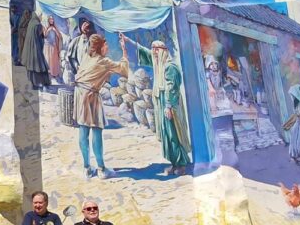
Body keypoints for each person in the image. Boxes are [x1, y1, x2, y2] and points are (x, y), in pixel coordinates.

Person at [122, 35, 192, 175]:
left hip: (169, 104)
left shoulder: (170, 67)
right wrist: (127, 41)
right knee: (166, 134)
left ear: (163, 51)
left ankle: (181, 163)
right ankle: (174, 163)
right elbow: (144, 52)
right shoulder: (159, 65)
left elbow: (172, 88)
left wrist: (168, 106)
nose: (153, 52)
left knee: (173, 133)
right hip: (161, 103)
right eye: (152, 49)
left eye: (156, 49)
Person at [74, 34, 129, 179]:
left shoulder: (87, 57)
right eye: (106, 46)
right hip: (91, 95)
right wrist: (124, 50)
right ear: (100, 47)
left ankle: (86, 168)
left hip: (80, 93)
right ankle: (101, 169)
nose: (108, 48)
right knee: (96, 130)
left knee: (83, 130)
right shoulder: (104, 61)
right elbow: (123, 69)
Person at [21, 12, 50, 90]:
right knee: (39, 65)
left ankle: (33, 84)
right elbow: (40, 37)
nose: (41, 18)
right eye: (40, 16)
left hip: (29, 49)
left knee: (31, 65)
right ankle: (41, 84)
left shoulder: (31, 23)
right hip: (36, 48)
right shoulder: (38, 25)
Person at [43, 16, 63, 84]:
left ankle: (54, 75)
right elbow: (45, 36)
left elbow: (59, 36)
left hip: (53, 47)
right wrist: (48, 30)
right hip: (47, 47)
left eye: (52, 19)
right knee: (48, 60)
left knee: (53, 61)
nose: (51, 20)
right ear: (48, 20)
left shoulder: (55, 28)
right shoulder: (47, 28)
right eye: (50, 19)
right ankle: (49, 76)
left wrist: (54, 30)